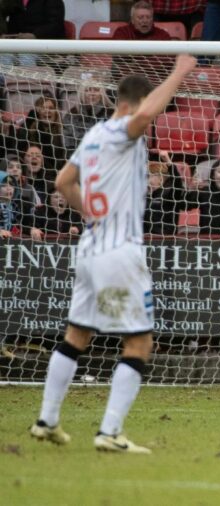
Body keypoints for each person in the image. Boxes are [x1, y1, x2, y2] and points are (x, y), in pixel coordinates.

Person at [30, 54, 197, 454]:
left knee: (77, 334)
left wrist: (87, 209)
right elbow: (142, 119)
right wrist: (179, 72)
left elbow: (63, 180)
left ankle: (47, 421)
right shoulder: (126, 128)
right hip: (119, 251)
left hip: (89, 248)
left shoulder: (93, 135)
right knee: (138, 341)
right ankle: (109, 431)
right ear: (133, 104)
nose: (150, 121)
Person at [144, 151, 197, 235]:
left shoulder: (170, 193)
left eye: (149, 176)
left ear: (161, 178)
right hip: (145, 240)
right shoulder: (144, 195)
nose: (145, 179)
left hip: (165, 241)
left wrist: (168, 162)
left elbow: (177, 182)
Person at [1, 0, 65, 66]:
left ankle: (25, 76)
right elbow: (13, 24)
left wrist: (35, 35)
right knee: (4, 51)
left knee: (26, 54)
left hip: (46, 45)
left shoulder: (53, 1)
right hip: (19, 43)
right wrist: (8, 36)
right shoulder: (15, 2)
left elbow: (55, 25)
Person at [63, 85, 114, 151]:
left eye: (96, 90)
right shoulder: (71, 115)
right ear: (81, 93)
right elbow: (68, 145)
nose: (92, 94)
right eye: (87, 90)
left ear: (102, 93)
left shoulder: (112, 113)